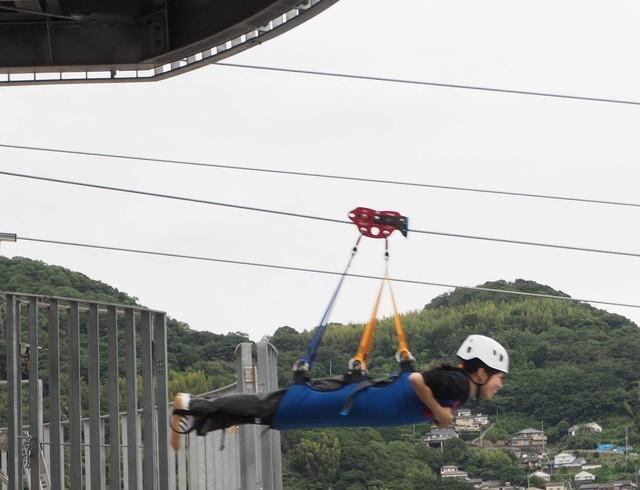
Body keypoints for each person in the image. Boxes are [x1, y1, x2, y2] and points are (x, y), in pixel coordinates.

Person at [170, 334, 508, 450]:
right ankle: (192, 405)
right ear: (480, 371)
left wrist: (438, 414)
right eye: (498, 378)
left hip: (360, 404)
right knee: (275, 407)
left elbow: (421, 390)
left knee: (271, 413)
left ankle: (194, 414)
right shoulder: (459, 384)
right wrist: (441, 412)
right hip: (358, 402)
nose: (499, 385)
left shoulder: (457, 387)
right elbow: (417, 381)